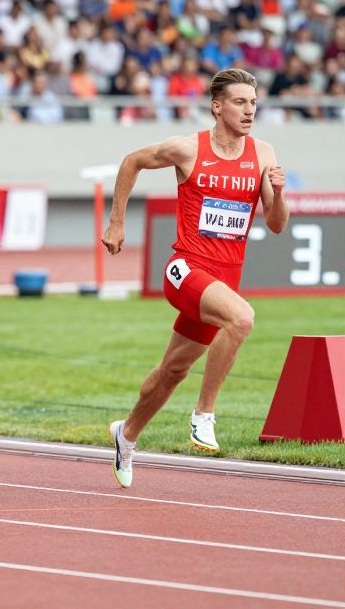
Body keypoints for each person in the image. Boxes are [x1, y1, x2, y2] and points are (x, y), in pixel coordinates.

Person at [102, 69, 289, 488]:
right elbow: (132, 161)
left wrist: (278, 191)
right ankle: (204, 415)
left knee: (174, 368)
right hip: (185, 268)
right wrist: (116, 222)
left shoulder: (263, 153)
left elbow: (276, 224)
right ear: (217, 106)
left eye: (254, 103)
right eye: (240, 103)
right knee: (241, 319)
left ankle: (126, 434)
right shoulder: (188, 149)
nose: (249, 111)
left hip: (224, 277)